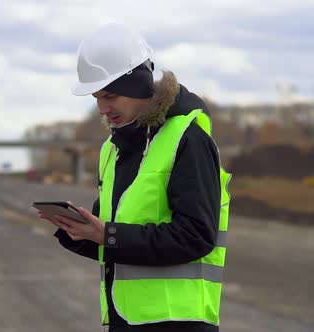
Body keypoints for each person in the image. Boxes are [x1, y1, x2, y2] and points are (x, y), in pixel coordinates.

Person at [38, 23, 231, 332]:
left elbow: (197, 235)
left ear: (139, 85)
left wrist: (108, 235)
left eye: (111, 96)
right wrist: (79, 232)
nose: (102, 107)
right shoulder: (114, 150)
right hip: (124, 321)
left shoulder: (187, 139)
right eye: (97, 97)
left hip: (178, 323)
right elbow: (117, 239)